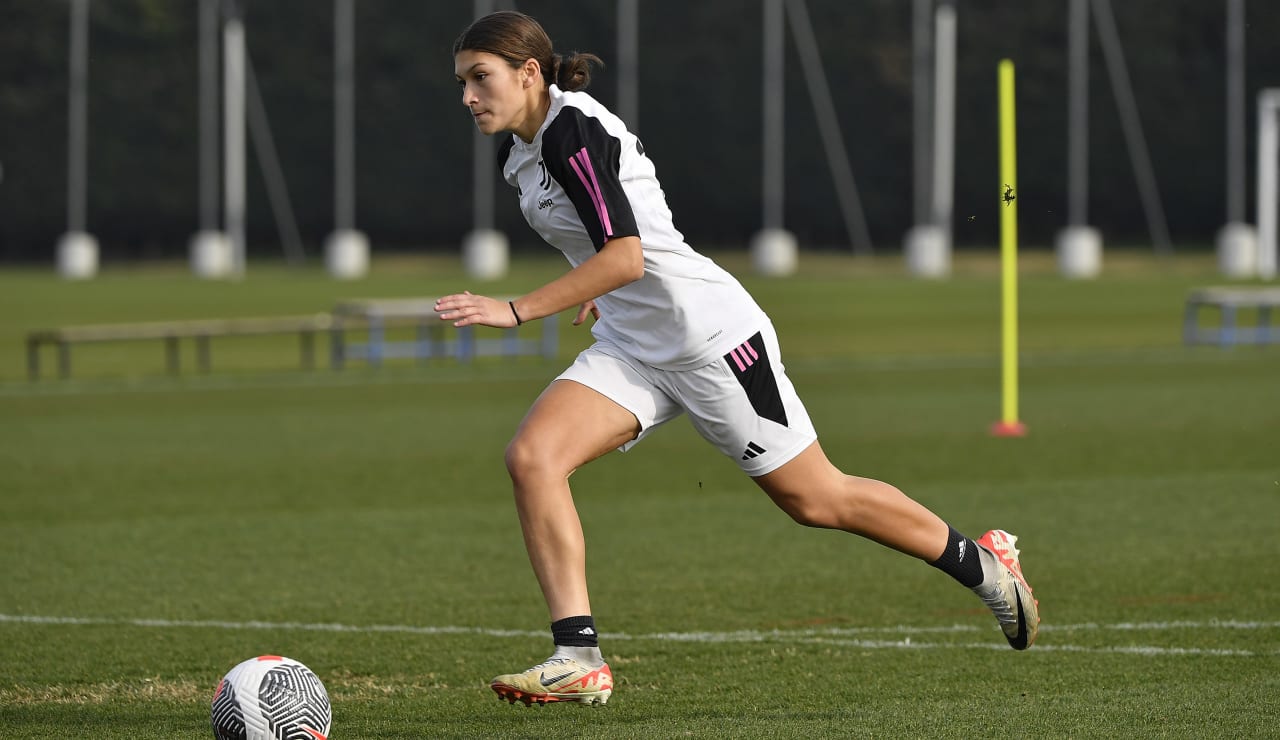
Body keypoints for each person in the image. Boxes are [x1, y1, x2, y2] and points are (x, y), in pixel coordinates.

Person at [440, 11, 1039, 708]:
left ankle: (985, 564)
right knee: (533, 458)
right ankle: (578, 657)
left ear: (529, 72)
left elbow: (628, 255)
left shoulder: (572, 130)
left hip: (711, 339)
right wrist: (596, 289)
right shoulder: (524, 151)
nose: (468, 97)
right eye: (461, 82)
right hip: (637, 344)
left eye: (480, 78)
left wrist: (516, 309)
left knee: (817, 498)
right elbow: (617, 248)